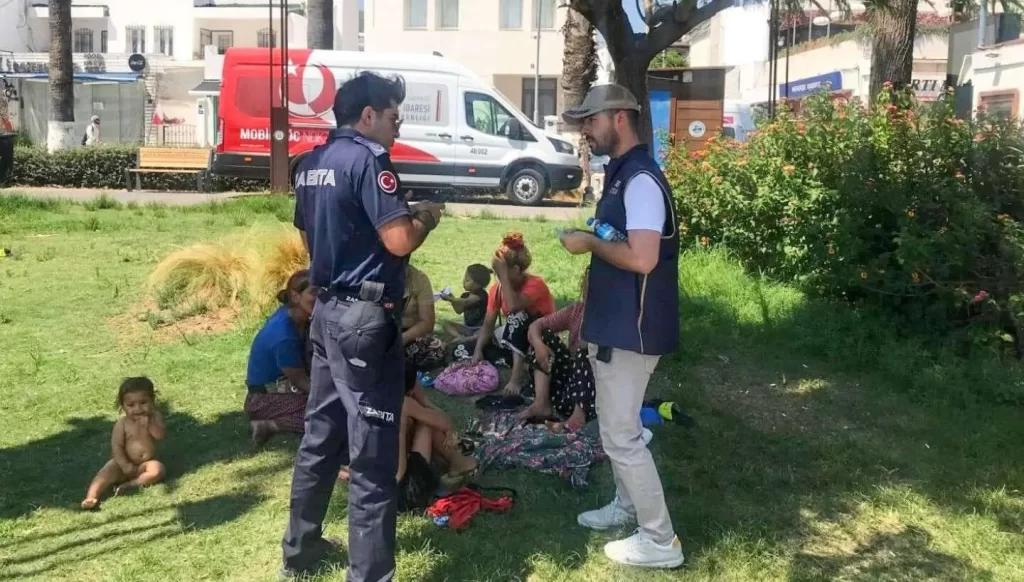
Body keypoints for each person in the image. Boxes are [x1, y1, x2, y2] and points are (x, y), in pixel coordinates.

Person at [282, 71, 444, 582]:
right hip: (366, 319)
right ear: (368, 115)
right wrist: (425, 219)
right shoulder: (370, 160)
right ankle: (371, 574)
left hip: (327, 315)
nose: (398, 128)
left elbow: (312, 236)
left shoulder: (311, 164)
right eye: (394, 117)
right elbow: (398, 241)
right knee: (373, 457)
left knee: (320, 438)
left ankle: (301, 551)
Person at [558, 84, 684, 569]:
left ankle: (659, 541)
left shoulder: (641, 181)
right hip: (615, 325)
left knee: (621, 437)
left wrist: (589, 243)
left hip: (632, 330)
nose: (586, 129)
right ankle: (626, 507)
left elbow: (643, 257)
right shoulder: (621, 175)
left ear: (620, 119)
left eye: (591, 120)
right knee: (621, 429)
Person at [453, 233, 555, 395]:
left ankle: (516, 377)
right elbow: (488, 324)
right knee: (461, 350)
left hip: (540, 339)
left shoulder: (535, 284)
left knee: (517, 317)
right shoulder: (498, 289)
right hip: (514, 341)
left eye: (500, 272)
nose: (497, 277)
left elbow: (514, 306)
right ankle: (516, 361)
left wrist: (504, 277)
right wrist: (478, 349)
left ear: (515, 270)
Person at [516, 269, 595, 431]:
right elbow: (536, 326)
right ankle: (541, 404)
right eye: (588, 283)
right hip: (567, 387)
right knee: (544, 336)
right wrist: (539, 346)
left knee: (585, 351)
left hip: (593, 390)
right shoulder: (576, 311)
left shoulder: (613, 318)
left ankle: (577, 418)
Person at [245, 269, 317, 444]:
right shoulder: (284, 336)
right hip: (263, 400)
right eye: (314, 292)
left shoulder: (291, 315)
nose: (320, 297)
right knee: (325, 418)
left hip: (282, 390)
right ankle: (269, 425)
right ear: (295, 296)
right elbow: (299, 381)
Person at [396, 366, 477, 512]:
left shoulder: (364, 400)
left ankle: (455, 462)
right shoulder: (403, 403)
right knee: (427, 423)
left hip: (373, 494)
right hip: (407, 494)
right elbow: (443, 422)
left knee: (421, 420)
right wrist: (449, 429)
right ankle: (459, 462)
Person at [81, 377, 166, 510]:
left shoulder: (155, 417)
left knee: (158, 469)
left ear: (152, 401)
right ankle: (91, 496)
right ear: (123, 406)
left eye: (143, 402)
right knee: (105, 472)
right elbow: (117, 446)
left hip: (145, 465)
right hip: (122, 464)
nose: (138, 409)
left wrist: (149, 424)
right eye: (131, 405)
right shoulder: (122, 424)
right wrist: (124, 464)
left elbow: (160, 436)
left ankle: (131, 485)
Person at [401, 263, 444, 371]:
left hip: (410, 334)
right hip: (382, 331)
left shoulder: (419, 279)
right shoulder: (376, 276)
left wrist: (403, 338)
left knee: (434, 351)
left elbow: (427, 322)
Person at [440, 263, 491, 342]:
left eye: (467, 280)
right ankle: (459, 337)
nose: (464, 281)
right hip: (467, 328)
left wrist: (450, 299)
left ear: (478, 284)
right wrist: (451, 296)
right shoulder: (465, 295)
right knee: (445, 323)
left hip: (480, 328)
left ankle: (468, 339)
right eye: (464, 278)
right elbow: (459, 310)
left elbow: (467, 302)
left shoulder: (481, 294)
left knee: (483, 333)